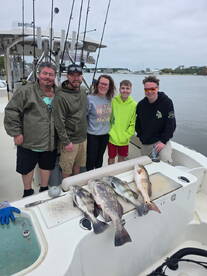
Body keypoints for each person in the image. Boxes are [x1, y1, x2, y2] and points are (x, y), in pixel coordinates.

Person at [4, 62, 57, 197]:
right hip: (28, 141)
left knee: (47, 166)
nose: (48, 77)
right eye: (45, 73)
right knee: (26, 168)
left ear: (55, 77)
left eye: (51, 74)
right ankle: (27, 191)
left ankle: (44, 189)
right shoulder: (26, 91)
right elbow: (11, 111)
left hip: (50, 142)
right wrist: (16, 133)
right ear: (38, 75)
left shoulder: (59, 93)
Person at [53, 64, 87, 179]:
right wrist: (66, 142)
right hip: (70, 140)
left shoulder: (83, 91)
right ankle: (66, 189)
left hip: (82, 138)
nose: (76, 78)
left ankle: (75, 187)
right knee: (67, 169)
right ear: (67, 76)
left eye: (78, 75)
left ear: (82, 77)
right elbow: (59, 122)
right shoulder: (61, 96)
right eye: (72, 75)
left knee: (78, 165)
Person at [135, 75, 176, 163]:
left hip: (161, 142)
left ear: (157, 88)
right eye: (146, 89)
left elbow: (171, 124)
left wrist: (163, 141)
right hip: (146, 142)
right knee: (145, 166)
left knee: (165, 162)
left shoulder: (167, 102)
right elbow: (137, 123)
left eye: (152, 89)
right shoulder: (141, 105)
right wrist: (141, 136)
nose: (149, 92)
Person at [86, 74, 115, 171]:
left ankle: (97, 177)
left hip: (105, 134)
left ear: (109, 86)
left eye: (106, 84)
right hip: (92, 134)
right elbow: (85, 116)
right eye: (101, 83)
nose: (103, 86)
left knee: (100, 158)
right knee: (91, 158)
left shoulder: (111, 100)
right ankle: (89, 177)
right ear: (97, 84)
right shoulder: (89, 98)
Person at [108, 80, 137, 164]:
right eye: (123, 88)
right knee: (111, 157)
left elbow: (133, 123)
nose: (125, 90)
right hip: (112, 137)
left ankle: (119, 175)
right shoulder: (113, 101)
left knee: (121, 159)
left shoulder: (134, 105)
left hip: (125, 139)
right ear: (119, 89)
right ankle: (110, 174)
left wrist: (126, 135)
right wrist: (110, 132)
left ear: (131, 90)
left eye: (127, 88)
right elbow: (109, 118)